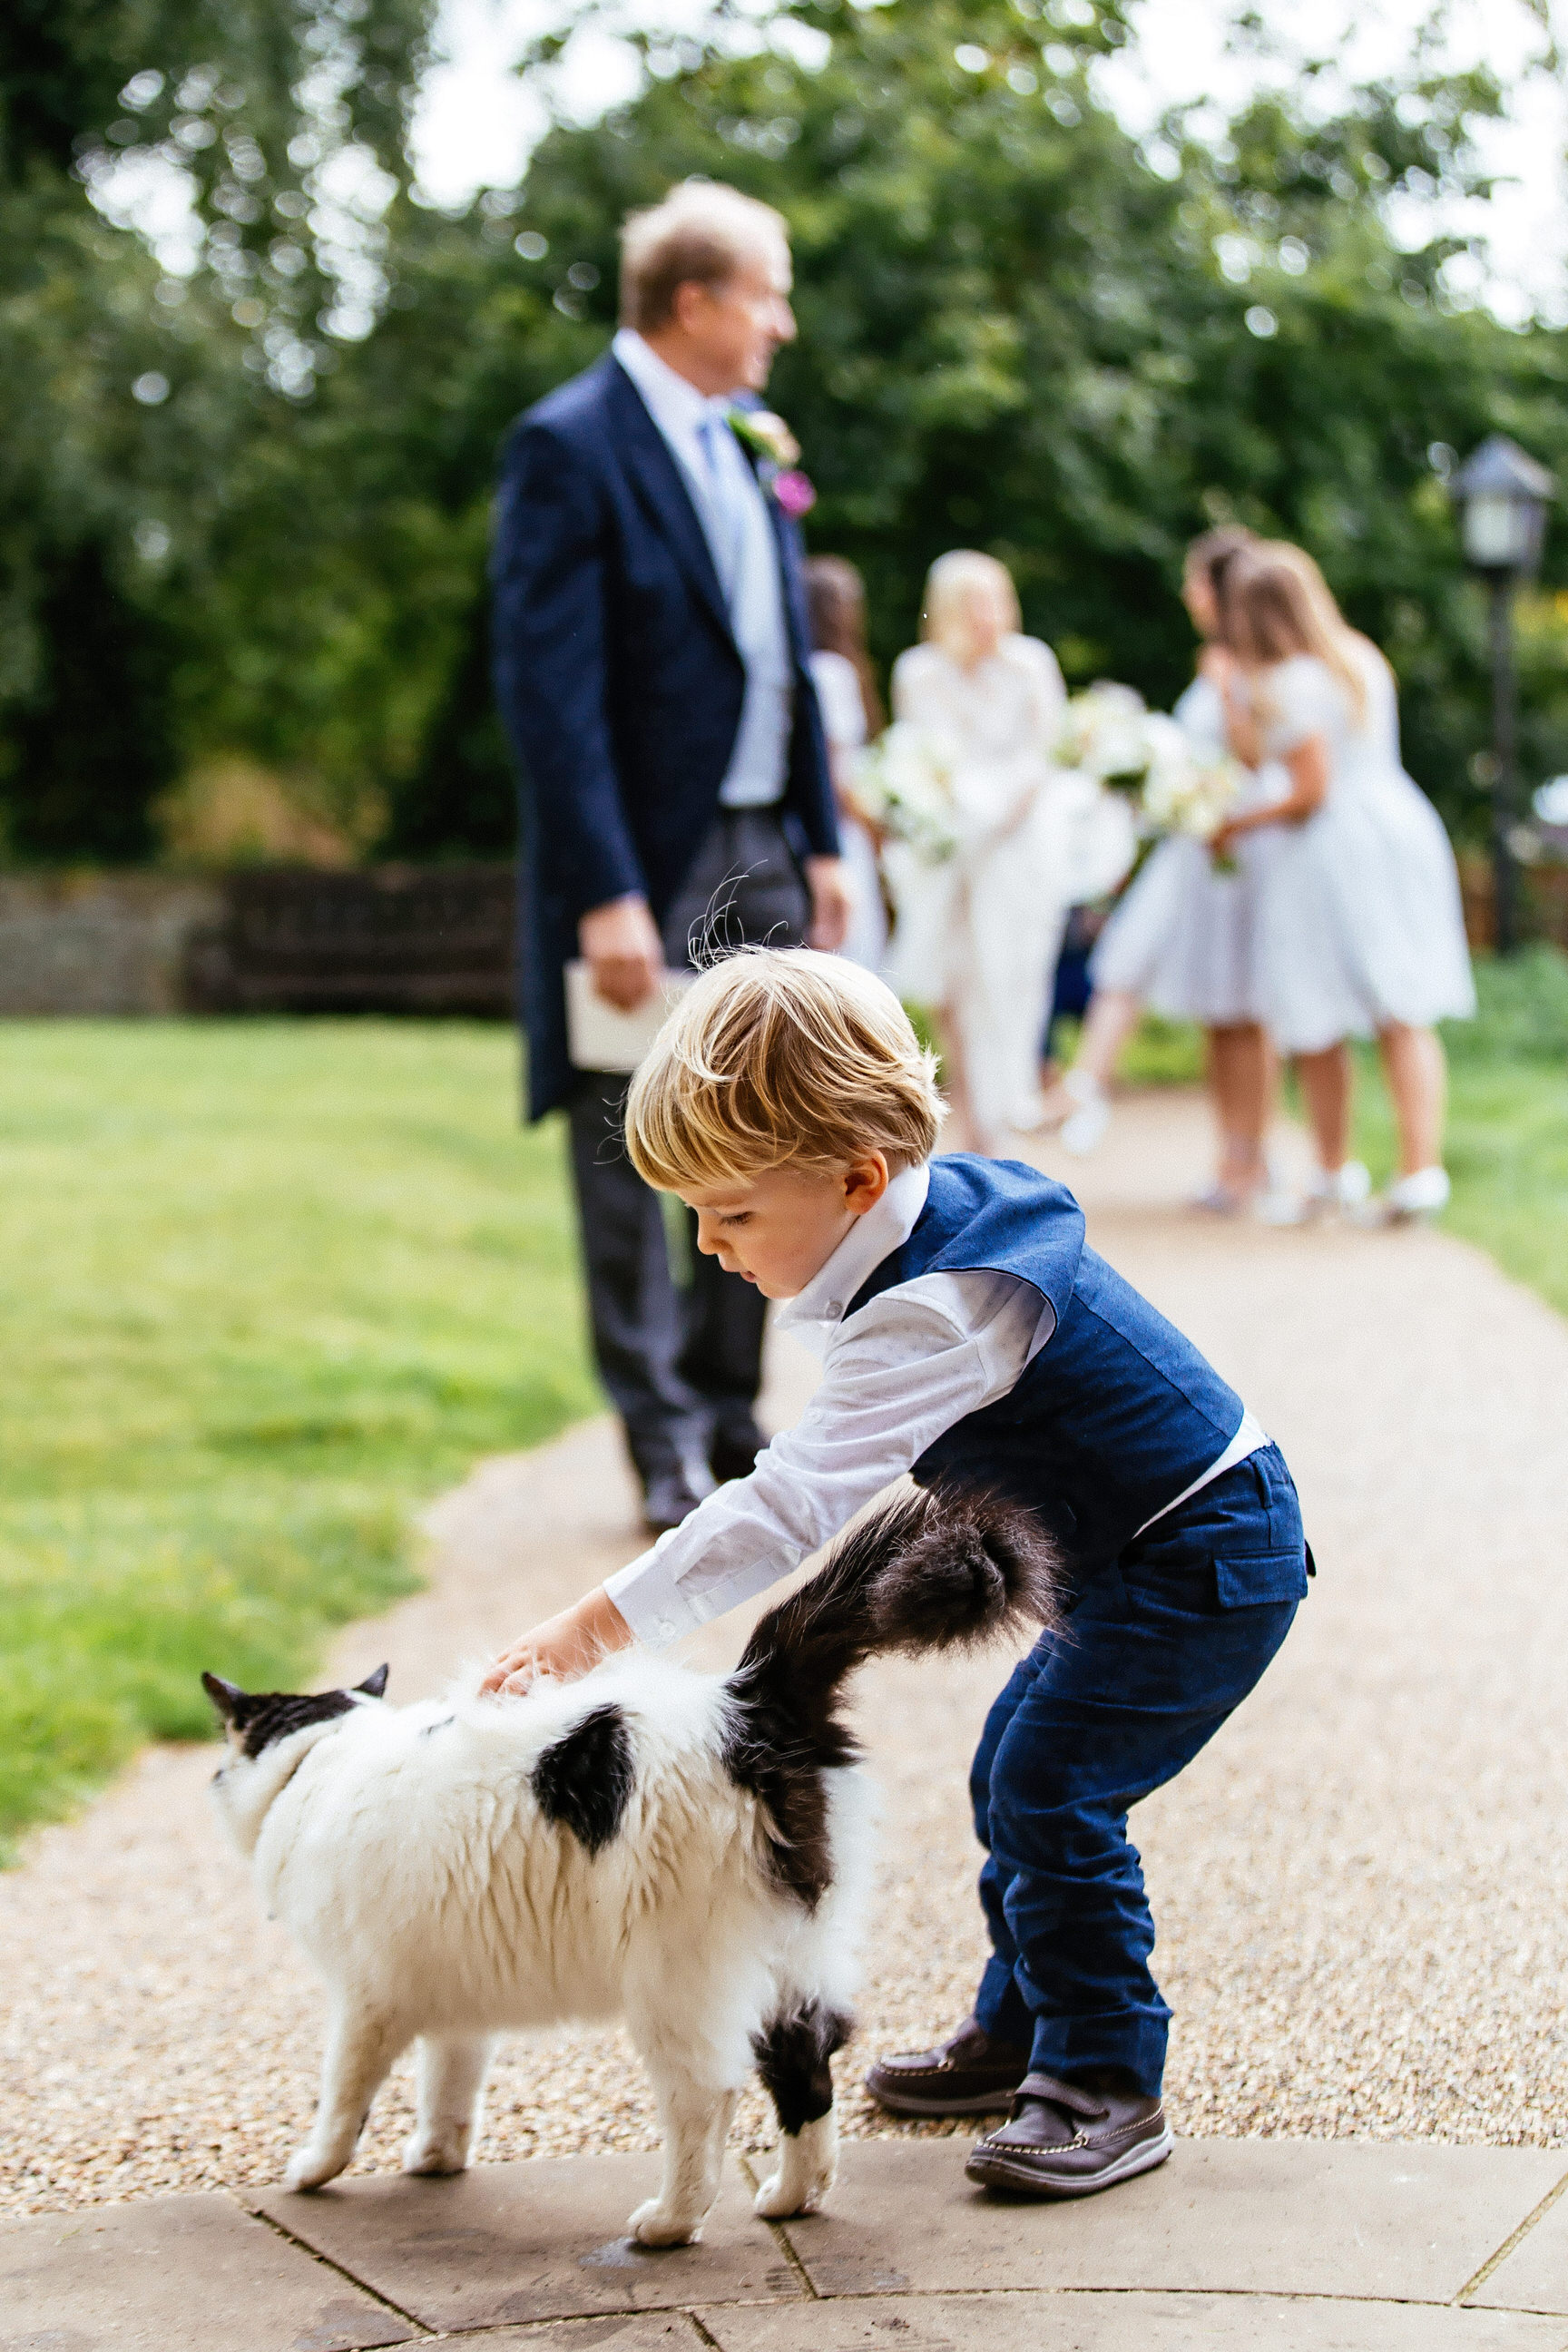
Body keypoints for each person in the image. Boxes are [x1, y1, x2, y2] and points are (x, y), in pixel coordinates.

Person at [481, 949, 1308, 2202]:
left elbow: (787, 1506)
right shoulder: (910, 1228)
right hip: (1144, 1546)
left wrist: (590, 1629)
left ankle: (1104, 2079)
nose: (706, 1246)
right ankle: (1022, 2031)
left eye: (731, 1213)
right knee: (1014, 1774)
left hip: (1204, 1554)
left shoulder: (940, 1309)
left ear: (858, 1176)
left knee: (1051, 1787)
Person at [492, 181, 853, 1534]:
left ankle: (728, 1413)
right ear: (694, 300)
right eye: (768, 293)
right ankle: (655, 1438)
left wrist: (816, 831)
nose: (783, 322)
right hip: (640, 863)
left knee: (771, 1129)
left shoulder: (748, 443)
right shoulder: (567, 444)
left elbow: (790, 661)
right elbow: (549, 691)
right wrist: (601, 891)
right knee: (619, 1142)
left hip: (763, 839)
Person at [1212, 545, 1475, 1222]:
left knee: (1319, 1008)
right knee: (1400, 1003)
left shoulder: (1290, 680)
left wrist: (1236, 824)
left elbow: (1308, 791)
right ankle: (1421, 1169)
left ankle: (1335, 1170)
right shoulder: (1358, 658)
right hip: (1397, 827)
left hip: (1331, 851)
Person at [1035, 527, 1288, 1210]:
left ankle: (1256, 1159)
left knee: (1247, 1012)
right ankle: (1232, 1156)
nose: (1186, 593)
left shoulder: (1247, 667)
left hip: (1241, 856)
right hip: (1204, 851)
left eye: (1193, 580)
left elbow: (1258, 760)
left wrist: (1229, 699)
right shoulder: (1217, 659)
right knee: (1219, 1014)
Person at [885, 552, 1072, 1152]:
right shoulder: (918, 671)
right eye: (973, 603)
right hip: (948, 849)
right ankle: (973, 1117)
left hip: (1019, 846)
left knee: (1011, 970)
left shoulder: (1030, 664)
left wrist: (996, 819)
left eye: (994, 599)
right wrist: (953, 821)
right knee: (953, 975)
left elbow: (1047, 754)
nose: (988, 615)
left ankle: (1009, 1101)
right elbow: (918, 761)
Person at [806, 556, 888, 973]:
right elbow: (837, 775)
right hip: (840, 833)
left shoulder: (803, 669)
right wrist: (878, 829)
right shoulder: (833, 673)